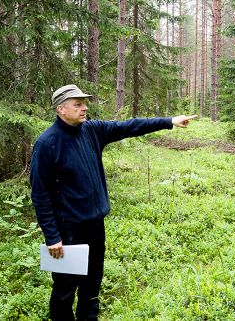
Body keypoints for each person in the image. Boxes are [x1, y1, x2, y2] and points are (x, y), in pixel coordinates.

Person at [30, 84, 196, 321]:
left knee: (92, 285)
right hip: (68, 232)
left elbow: (129, 126)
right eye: (77, 105)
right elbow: (40, 194)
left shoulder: (92, 130)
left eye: (84, 103)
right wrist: (52, 236)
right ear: (61, 109)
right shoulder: (47, 144)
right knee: (65, 289)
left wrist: (169, 121)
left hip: (95, 227)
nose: (84, 108)